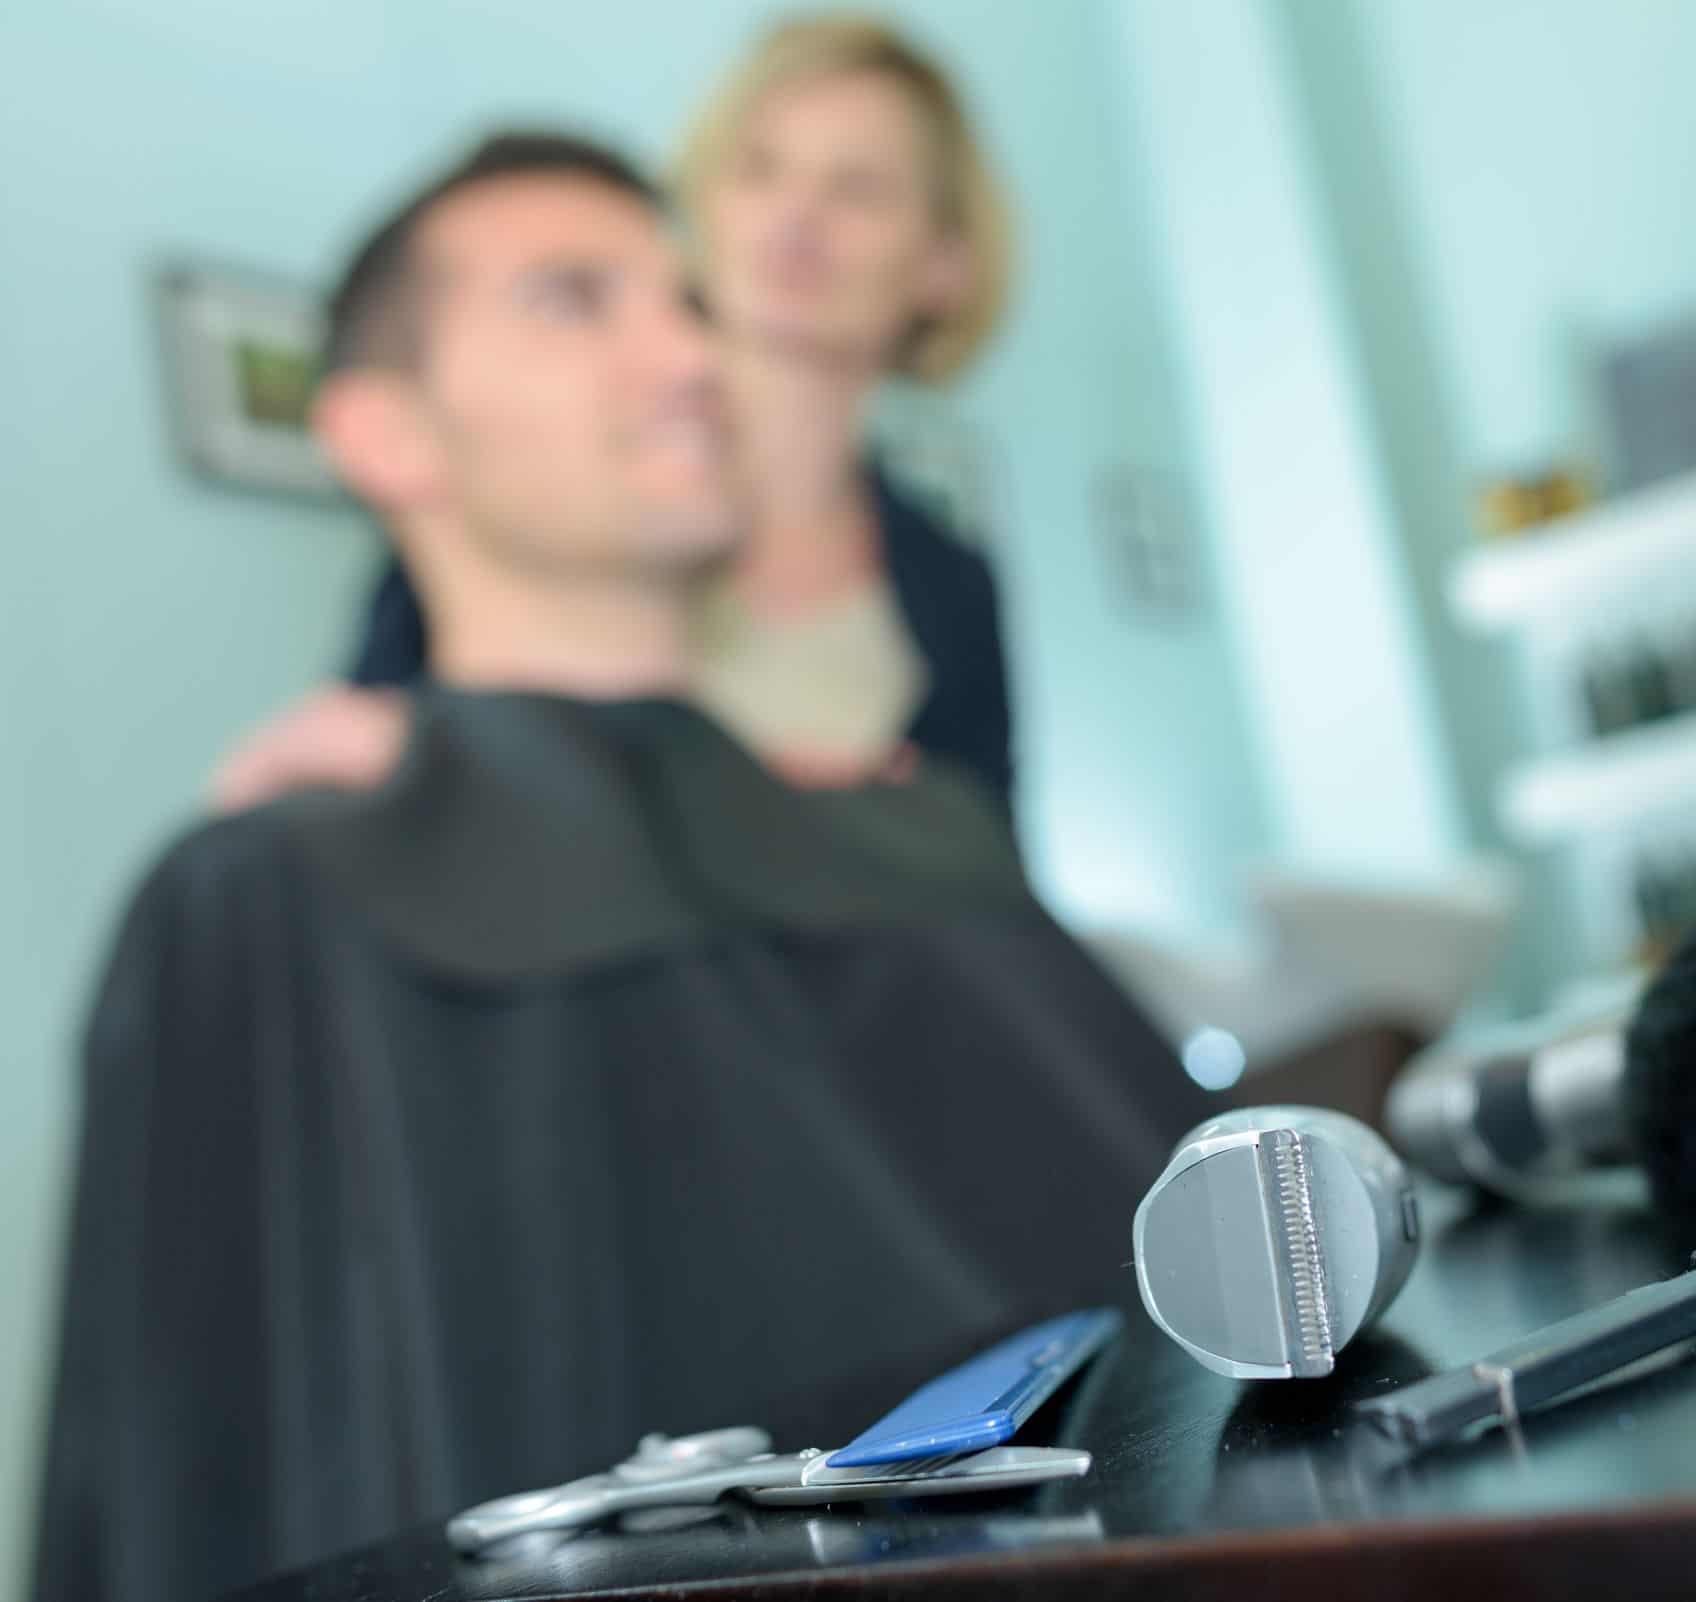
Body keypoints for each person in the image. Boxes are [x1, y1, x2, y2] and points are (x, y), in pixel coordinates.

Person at [36, 132, 1203, 1602]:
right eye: (573, 300)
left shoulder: (920, 836)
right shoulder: (271, 901)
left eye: (691, 305)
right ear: (387, 436)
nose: (693, 357)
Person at [214, 14, 1016, 812]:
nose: (797, 217)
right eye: (759, 169)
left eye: (859, 189)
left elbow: (983, 843)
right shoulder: (553, 493)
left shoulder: (949, 585)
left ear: (943, 260)